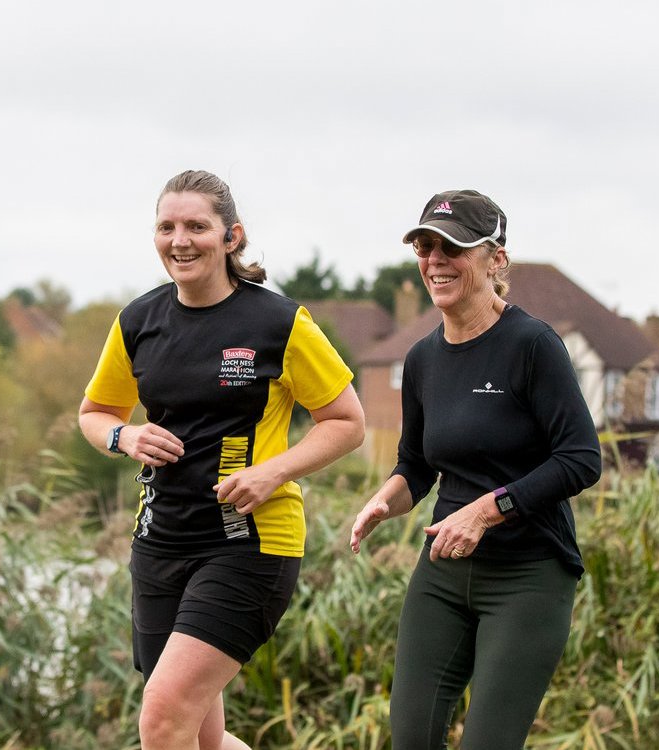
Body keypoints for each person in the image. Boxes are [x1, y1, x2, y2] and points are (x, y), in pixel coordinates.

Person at [79, 169, 366, 750]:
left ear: (231, 236)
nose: (179, 240)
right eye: (166, 227)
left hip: (249, 544)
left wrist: (273, 470)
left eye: (196, 227)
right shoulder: (139, 321)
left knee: (161, 718)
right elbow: (95, 412)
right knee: (204, 737)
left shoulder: (279, 322)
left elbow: (348, 423)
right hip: (160, 542)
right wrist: (125, 438)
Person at [349, 189, 602, 748]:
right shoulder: (421, 359)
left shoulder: (533, 346)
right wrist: (384, 501)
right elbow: (416, 466)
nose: (435, 260)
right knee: (412, 738)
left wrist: (488, 512)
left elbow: (582, 459)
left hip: (528, 576)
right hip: (443, 574)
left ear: (496, 259)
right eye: (425, 246)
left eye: (453, 247)